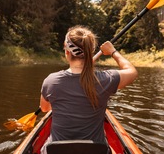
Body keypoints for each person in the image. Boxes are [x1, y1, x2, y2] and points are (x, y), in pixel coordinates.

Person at [40, 25, 138, 154]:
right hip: (96, 151)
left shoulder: (51, 81)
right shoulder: (105, 79)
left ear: (67, 52)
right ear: (90, 52)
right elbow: (132, 72)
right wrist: (113, 51)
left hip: (56, 151)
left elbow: (45, 109)